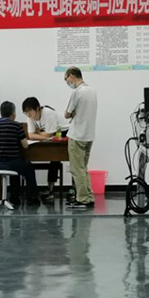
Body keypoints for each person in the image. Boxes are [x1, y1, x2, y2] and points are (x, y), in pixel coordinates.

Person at [0, 101, 44, 206]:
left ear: (1, 113)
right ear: (13, 114)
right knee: (28, 167)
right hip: (13, 163)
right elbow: (25, 145)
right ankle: (31, 198)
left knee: (16, 166)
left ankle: (14, 198)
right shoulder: (17, 126)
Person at [63, 66, 98, 209]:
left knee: (77, 170)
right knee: (83, 168)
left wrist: (72, 113)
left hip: (77, 135)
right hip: (89, 135)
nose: (67, 82)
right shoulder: (92, 91)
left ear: (72, 76)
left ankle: (82, 199)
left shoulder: (77, 92)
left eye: (66, 79)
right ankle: (88, 196)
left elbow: (67, 114)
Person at [23, 96, 70, 197]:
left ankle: (51, 189)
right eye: (26, 112)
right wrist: (44, 134)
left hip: (65, 132)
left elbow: (49, 134)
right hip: (52, 134)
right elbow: (31, 135)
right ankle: (49, 189)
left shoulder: (48, 113)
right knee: (52, 157)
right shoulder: (30, 117)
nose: (28, 114)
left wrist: (39, 133)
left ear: (37, 109)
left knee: (55, 158)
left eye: (30, 111)